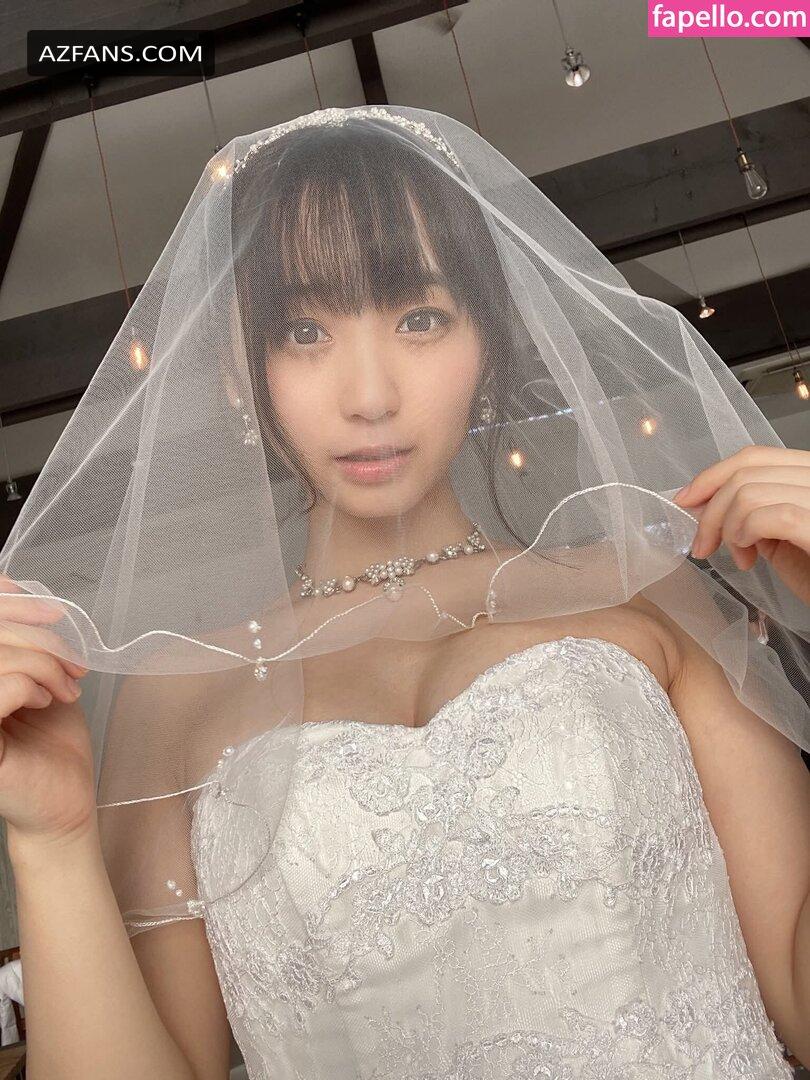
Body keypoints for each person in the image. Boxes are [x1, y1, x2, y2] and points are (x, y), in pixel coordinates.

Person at [0, 105, 808, 1078]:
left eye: (420, 318)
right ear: (236, 370)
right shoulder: (174, 695)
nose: (370, 395)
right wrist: (49, 842)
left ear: (489, 334)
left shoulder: (644, 589)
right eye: (304, 331)